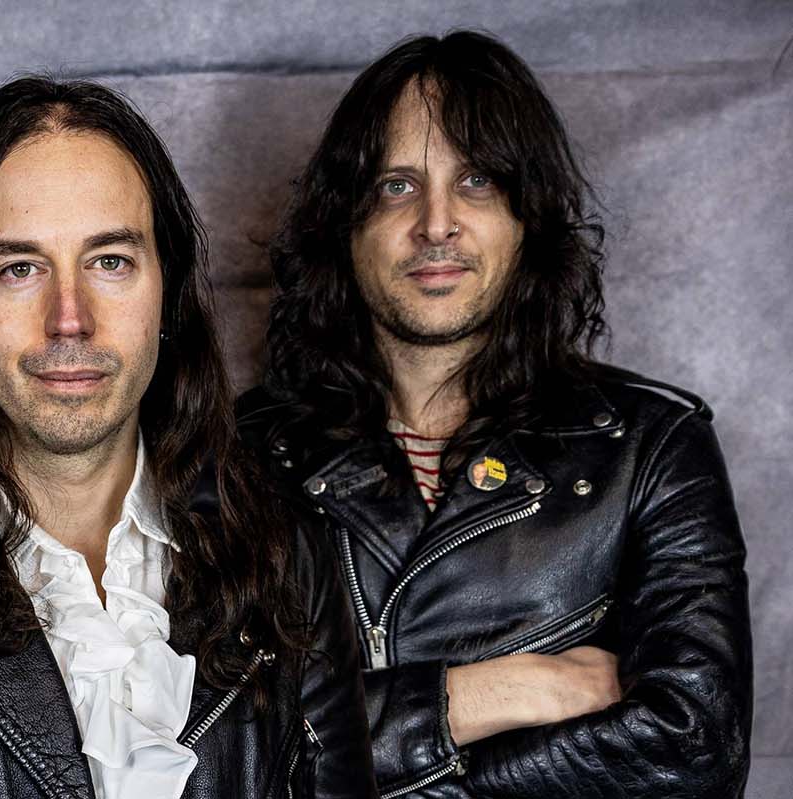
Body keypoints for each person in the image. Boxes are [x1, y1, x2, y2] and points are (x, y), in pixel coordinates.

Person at [0, 76, 377, 798]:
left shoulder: (285, 549)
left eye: (110, 261)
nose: (68, 318)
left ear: (168, 293)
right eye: (20, 268)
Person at [240, 31, 753, 797]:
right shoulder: (241, 456)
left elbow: (696, 751)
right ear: (344, 223)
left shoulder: (650, 448)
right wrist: (500, 691)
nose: (436, 223)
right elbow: (203, 754)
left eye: (476, 181)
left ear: (527, 220)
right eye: (397, 186)